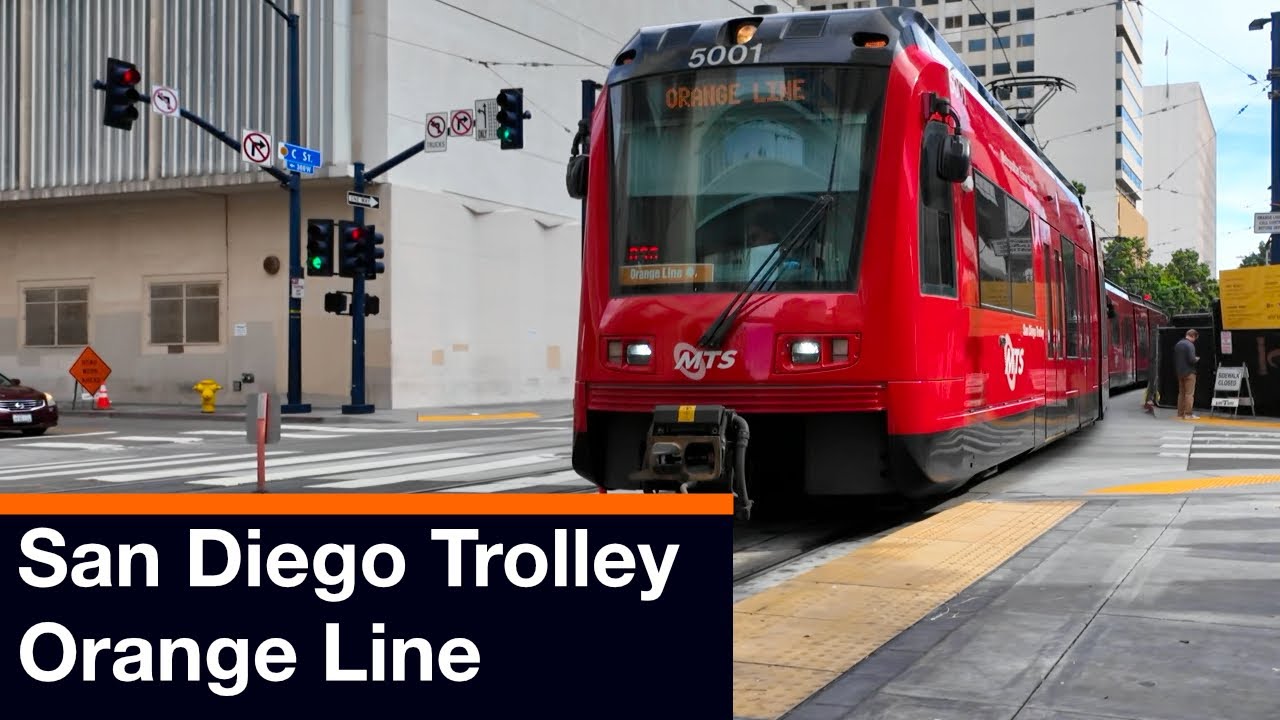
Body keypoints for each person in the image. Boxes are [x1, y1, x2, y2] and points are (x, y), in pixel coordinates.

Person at [1173, 329, 1200, 419]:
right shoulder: (1190, 345)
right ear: (1193, 336)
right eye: (1195, 338)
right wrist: (1196, 359)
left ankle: (1180, 414)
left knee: (1181, 394)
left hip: (1179, 372)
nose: (1194, 340)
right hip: (1189, 373)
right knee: (1189, 394)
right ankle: (1188, 414)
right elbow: (1191, 359)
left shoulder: (1178, 344)